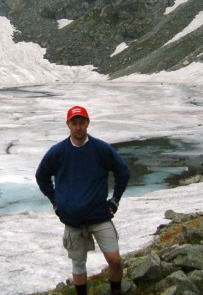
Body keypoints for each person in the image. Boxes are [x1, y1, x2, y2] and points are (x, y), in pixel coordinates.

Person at [35, 106, 131, 295]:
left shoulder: (100, 148)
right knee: (78, 263)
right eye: (74, 123)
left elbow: (123, 171)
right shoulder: (58, 152)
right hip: (72, 219)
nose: (78, 127)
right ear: (68, 124)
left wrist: (115, 200)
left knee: (114, 259)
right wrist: (56, 202)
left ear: (87, 123)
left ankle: (116, 291)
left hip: (99, 215)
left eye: (82, 123)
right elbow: (42, 176)